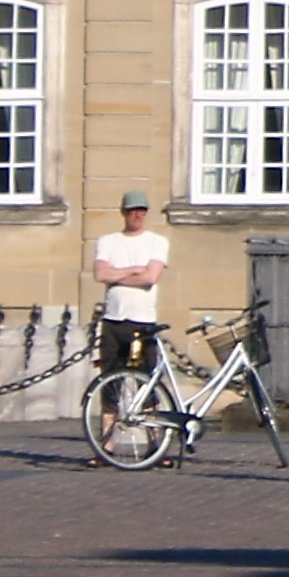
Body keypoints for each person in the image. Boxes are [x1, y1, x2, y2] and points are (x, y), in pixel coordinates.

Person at [91, 189, 169, 458]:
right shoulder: (108, 241)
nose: (137, 215)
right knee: (109, 384)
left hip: (143, 321)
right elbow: (100, 273)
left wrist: (117, 275)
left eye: (142, 211)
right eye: (133, 210)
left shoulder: (157, 242)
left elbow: (150, 277)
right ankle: (106, 446)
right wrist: (133, 270)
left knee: (147, 384)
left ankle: (155, 446)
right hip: (114, 320)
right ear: (123, 212)